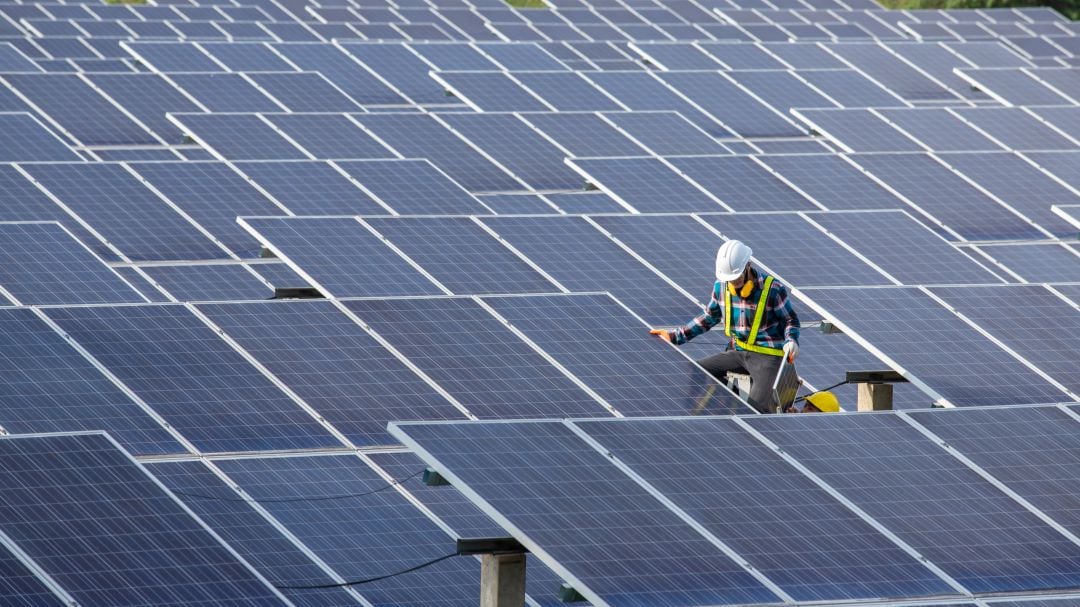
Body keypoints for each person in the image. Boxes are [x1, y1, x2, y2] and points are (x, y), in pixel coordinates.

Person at [650, 240, 800, 414]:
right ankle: (695, 416)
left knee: (755, 412)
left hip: (767, 358)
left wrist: (792, 340)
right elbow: (709, 317)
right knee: (698, 370)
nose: (733, 283)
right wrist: (675, 337)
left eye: (735, 278)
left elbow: (791, 320)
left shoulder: (773, 289)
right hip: (738, 352)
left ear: (748, 266)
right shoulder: (721, 286)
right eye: (729, 279)